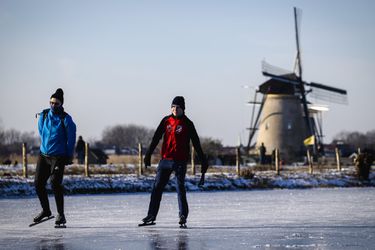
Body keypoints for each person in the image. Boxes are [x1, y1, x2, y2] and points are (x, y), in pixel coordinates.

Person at [140, 96, 208, 227]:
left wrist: (203, 161)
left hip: (180, 161)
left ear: (182, 108)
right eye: (173, 107)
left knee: (180, 188)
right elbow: (155, 138)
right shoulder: (166, 121)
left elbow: (196, 143)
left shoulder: (188, 123)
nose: (175, 109)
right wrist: (148, 154)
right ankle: (151, 215)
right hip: (165, 160)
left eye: (177, 107)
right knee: (156, 188)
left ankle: (183, 216)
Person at [33, 88, 76, 227]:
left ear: (61, 104)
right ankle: (46, 210)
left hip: (58, 157)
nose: (53, 105)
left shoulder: (66, 119)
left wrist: (68, 155)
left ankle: (61, 215)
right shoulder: (44, 115)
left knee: (55, 183)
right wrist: (46, 146)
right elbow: (41, 132)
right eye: (51, 102)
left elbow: (71, 138)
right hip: (44, 155)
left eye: (56, 103)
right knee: (38, 183)